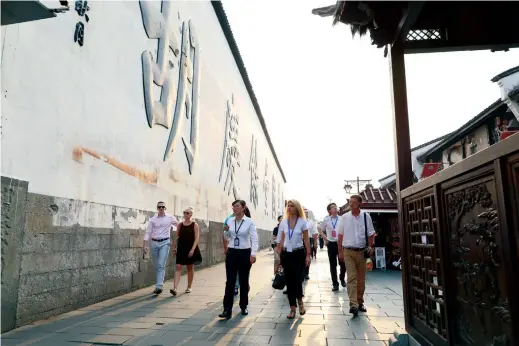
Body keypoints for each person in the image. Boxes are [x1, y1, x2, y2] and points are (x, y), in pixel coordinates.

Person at [337, 195, 375, 316]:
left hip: (362, 251)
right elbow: (340, 236)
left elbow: (371, 233)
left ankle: (360, 301)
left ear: (359, 203)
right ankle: (353, 304)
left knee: (361, 279)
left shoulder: (366, 216)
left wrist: (370, 246)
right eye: (350, 202)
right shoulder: (344, 218)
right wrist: (340, 252)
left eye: (353, 202)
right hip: (348, 251)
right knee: (351, 277)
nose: (351, 204)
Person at [219, 200, 258, 319]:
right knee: (230, 281)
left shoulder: (249, 222)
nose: (234, 208)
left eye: (236, 206)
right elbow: (227, 237)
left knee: (243, 281)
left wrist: (253, 253)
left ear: (243, 208)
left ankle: (243, 306)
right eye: (233, 207)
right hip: (232, 252)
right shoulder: (230, 221)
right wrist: (225, 231)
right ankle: (227, 309)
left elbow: (254, 239)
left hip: (244, 252)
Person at [277, 199, 311, 319]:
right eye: (288, 206)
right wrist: (279, 255)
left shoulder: (302, 222)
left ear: (297, 208)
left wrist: (308, 255)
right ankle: (292, 308)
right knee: (289, 281)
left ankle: (300, 302)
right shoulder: (284, 222)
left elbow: (306, 240)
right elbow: (281, 240)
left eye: (292, 206)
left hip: (298, 253)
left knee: (297, 280)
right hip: (286, 254)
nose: (289, 208)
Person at [143, 201, 179, 295]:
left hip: (165, 243)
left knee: (160, 264)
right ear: (157, 208)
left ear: (165, 208)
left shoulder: (170, 217)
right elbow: (148, 232)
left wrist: (189, 223)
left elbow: (179, 225)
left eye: (163, 207)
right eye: (159, 207)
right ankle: (159, 285)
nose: (161, 208)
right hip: (154, 243)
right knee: (156, 265)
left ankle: (159, 286)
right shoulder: (153, 219)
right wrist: (145, 245)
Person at [171, 207, 202, 295]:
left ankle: (189, 286)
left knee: (189, 267)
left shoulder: (195, 225)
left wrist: (192, 249)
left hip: (191, 248)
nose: (185, 214)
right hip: (181, 248)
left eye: (187, 213)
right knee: (178, 266)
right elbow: (176, 237)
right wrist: (174, 248)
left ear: (191, 214)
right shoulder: (180, 225)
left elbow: (197, 239)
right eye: (184, 212)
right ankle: (175, 288)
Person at [318, 202, 347, 292]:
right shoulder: (326, 219)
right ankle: (335, 283)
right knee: (333, 264)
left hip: (341, 243)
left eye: (335, 207)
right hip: (331, 243)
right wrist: (325, 238)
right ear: (330, 211)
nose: (335, 208)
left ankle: (342, 278)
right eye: (332, 207)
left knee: (343, 262)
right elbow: (319, 228)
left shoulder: (342, 219)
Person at [303, 209, 318, 280]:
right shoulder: (297, 221)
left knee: (308, 256)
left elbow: (315, 233)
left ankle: (306, 273)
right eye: (304, 212)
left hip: (308, 240)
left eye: (306, 213)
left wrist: (315, 242)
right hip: (299, 241)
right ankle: (301, 272)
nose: (306, 214)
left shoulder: (311, 222)